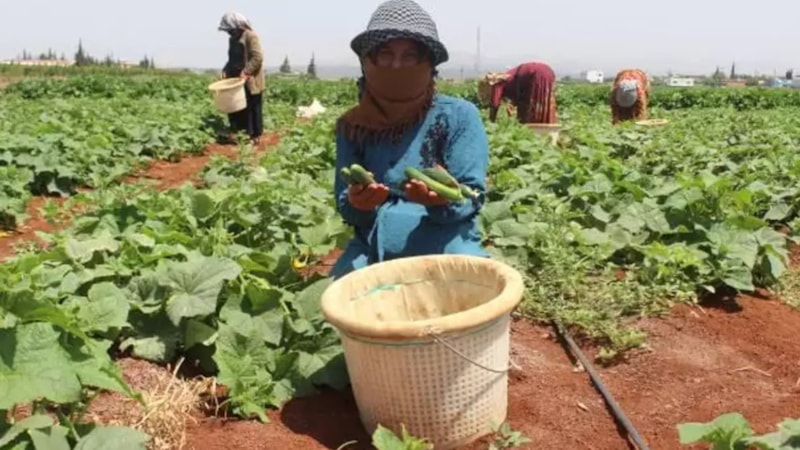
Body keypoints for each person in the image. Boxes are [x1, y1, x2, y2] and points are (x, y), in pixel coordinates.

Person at [330, 0, 490, 279]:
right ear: (368, 62)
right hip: (373, 245)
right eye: (385, 55)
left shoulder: (459, 116)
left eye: (410, 56)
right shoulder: (353, 126)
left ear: (428, 64)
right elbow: (346, 205)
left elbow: (472, 195)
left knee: (473, 286)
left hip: (446, 239)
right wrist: (359, 203)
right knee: (341, 296)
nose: (396, 65)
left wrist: (442, 200)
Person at [218, 12, 265, 144]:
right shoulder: (232, 40)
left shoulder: (250, 36)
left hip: (251, 79)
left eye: (231, 30)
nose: (229, 33)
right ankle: (240, 133)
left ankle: (254, 136)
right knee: (237, 107)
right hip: (236, 79)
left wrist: (246, 71)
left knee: (252, 108)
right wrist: (225, 70)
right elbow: (232, 59)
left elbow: (257, 57)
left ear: (238, 26)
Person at [488, 62, 558, 124]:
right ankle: (549, 127)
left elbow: (495, 103)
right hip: (547, 71)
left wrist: (491, 120)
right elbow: (518, 90)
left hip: (535, 74)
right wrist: (513, 104)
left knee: (533, 106)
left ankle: (534, 128)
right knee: (546, 101)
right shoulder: (510, 75)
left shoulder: (497, 83)